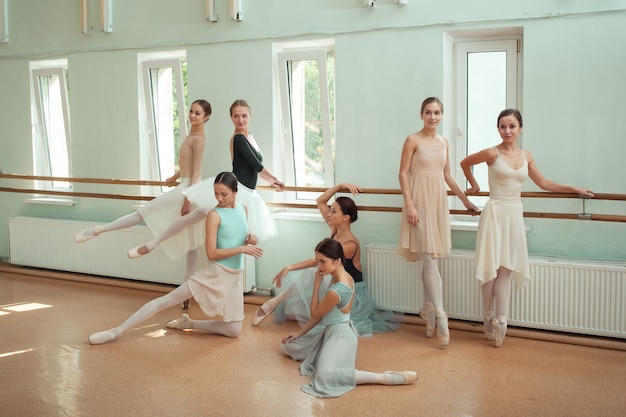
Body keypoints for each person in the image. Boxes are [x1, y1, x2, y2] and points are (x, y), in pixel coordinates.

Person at [460, 109, 593, 347]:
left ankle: (502, 321)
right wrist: (474, 184)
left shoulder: (526, 155)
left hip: (514, 214)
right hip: (495, 212)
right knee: (491, 268)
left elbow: (543, 183)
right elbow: (465, 163)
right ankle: (487, 317)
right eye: (502, 126)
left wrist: (575, 189)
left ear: (520, 128)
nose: (507, 131)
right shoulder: (492, 152)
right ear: (498, 128)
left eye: (511, 126)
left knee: (507, 269)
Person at [88, 172, 263, 345]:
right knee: (168, 300)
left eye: (224, 194)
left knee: (233, 331)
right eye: (216, 194)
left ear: (235, 192)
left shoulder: (243, 209)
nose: (219, 198)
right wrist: (241, 249)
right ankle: (116, 331)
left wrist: (249, 236)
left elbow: (237, 233)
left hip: (235, 275)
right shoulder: (214, 215)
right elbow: (212, 253)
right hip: (215, 273)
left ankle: (189, 323)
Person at [75, 99, 212, 267]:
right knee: (192, 241)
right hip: (187, 186)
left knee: (145, 213)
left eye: (197, 113)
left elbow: (197, 173)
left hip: (190, 189)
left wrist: (187, 199)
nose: (192, 115)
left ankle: (99, 230)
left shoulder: (198, 139)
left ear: (206, 117)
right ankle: (188, 288)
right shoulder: (191, 136)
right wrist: (175, 176)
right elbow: (189, 164)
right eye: (191, 111)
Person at [252, 183, 399, 337]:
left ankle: (273, 303)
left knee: (311, 272)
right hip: (333, 283)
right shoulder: (334, 230)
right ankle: (274, 303)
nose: (329, 214)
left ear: (345, 217)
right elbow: (320, 201)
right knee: (295, 306)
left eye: (333, 211)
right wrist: (340, 185)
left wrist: (289, 267)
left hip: (349, 293)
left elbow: (317, 261)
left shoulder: (350, 244)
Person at [280, 238, 418, 398]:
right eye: (317, 261)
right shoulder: (339, 274)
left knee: (325, 375)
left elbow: (315, 313)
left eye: (322, 262)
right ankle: (331, 355)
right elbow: (321, 315)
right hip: (329, 332)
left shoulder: (339, 289)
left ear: (337, 260)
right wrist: (300, 333)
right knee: (288, 346)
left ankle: (385, 377)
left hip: (341, 336)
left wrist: (317, 285)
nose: (318, 266)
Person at [398, 97, 479, 346]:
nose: (433, 117)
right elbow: (402, 174)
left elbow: (447, 175)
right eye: (428, 112)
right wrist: (410, 205)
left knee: (429, 258)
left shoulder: (444, 142)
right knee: (430, 259)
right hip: (419, 202)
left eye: (437, 113)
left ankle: (429, 310)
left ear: (441, 115)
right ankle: (442, 316)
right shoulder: (413, 140)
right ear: (421, 114)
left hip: (438, 203)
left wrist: (464, 200)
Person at [229, 99, 284, 241]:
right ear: (231, 118)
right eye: (236, 116)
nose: (240, 120)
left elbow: (255, 167)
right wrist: (275, 179)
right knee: (241, 239)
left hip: (250, 192)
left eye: (244, 116)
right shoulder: (238, 138)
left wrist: (271, 182)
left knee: (247, 241)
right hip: (240, 191)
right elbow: (256, 165)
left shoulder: (250, 136)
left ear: (250, 116)